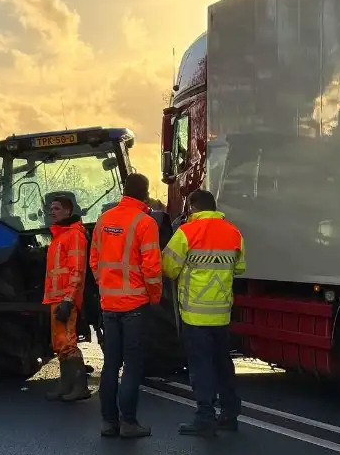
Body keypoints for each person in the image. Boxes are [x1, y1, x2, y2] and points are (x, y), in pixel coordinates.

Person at [161, 189, 245, 436]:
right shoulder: (233, 232)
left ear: (193, 207)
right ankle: (229, 414)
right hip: (221, 313)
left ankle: (205, 417)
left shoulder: (186, 233)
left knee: (200, 366)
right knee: (222, 364)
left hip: (194, 314)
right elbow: (239, 267)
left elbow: (168, 267)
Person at [90, 173, 162, 438]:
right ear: (144, 193)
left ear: (124, 190)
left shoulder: (104, 219)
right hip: (135, 305)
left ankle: (109, 422)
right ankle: (129, 423)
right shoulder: (145, 222)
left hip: (110, 304)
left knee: (111, 364)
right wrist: (153, 296)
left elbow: (94, 259)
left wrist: (105, 286)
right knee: (132, 365)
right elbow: (152, 268)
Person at [43, 195, 92, 402]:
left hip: (65, 299)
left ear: (68, 211)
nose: (51, 212)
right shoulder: (60, 236)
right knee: (59, 343)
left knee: (68, 342)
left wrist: (69, 299)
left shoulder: (74, 236)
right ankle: (66, 385)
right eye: (51, 209)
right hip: (56, 297)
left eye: (56, 208)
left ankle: (79, 386)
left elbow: (77, 270)